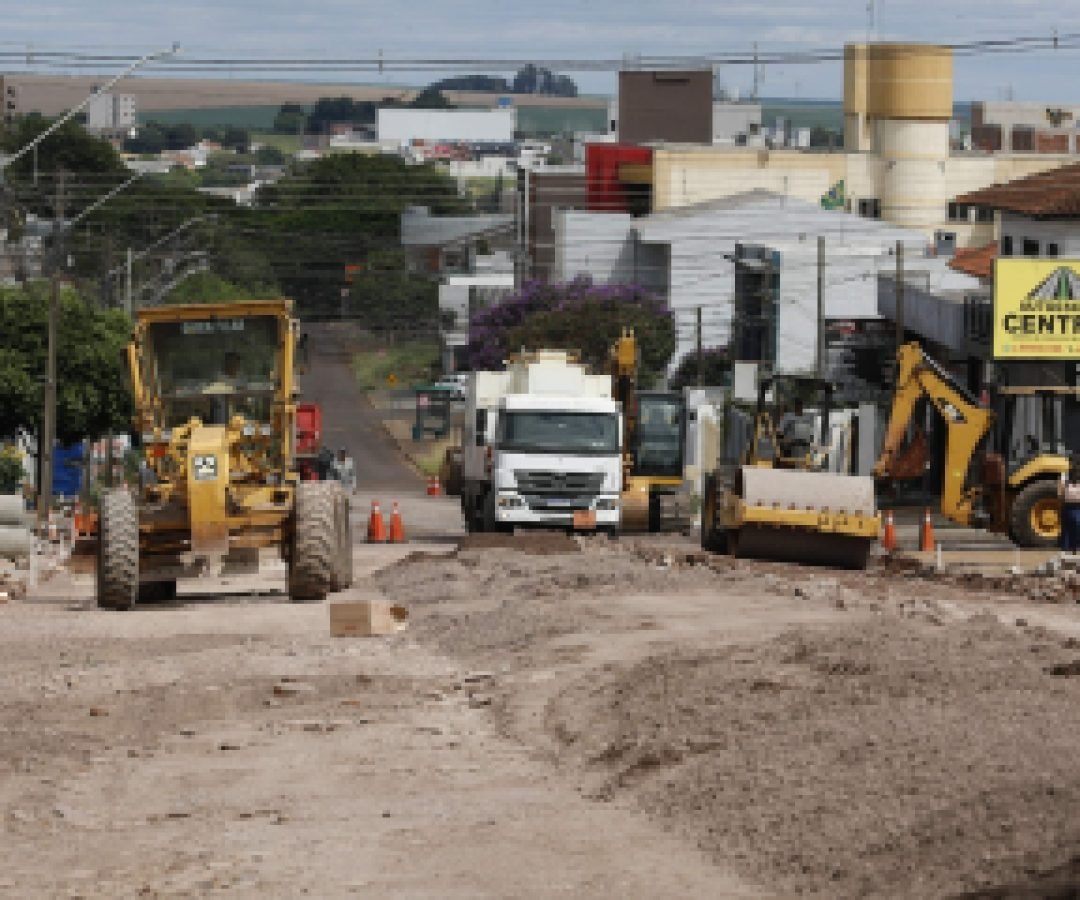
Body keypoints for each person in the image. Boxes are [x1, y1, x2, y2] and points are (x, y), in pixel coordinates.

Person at [1058, 452, 1080, 553]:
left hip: (1069, 504)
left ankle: (1067, 550)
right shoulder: (1065, 474)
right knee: (1073, 527)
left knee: (1067, 528)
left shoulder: (1065, 474)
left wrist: (1061, 499)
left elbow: (1060, 490)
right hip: (1072, 504)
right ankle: (1074, 548)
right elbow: (1061, 489)